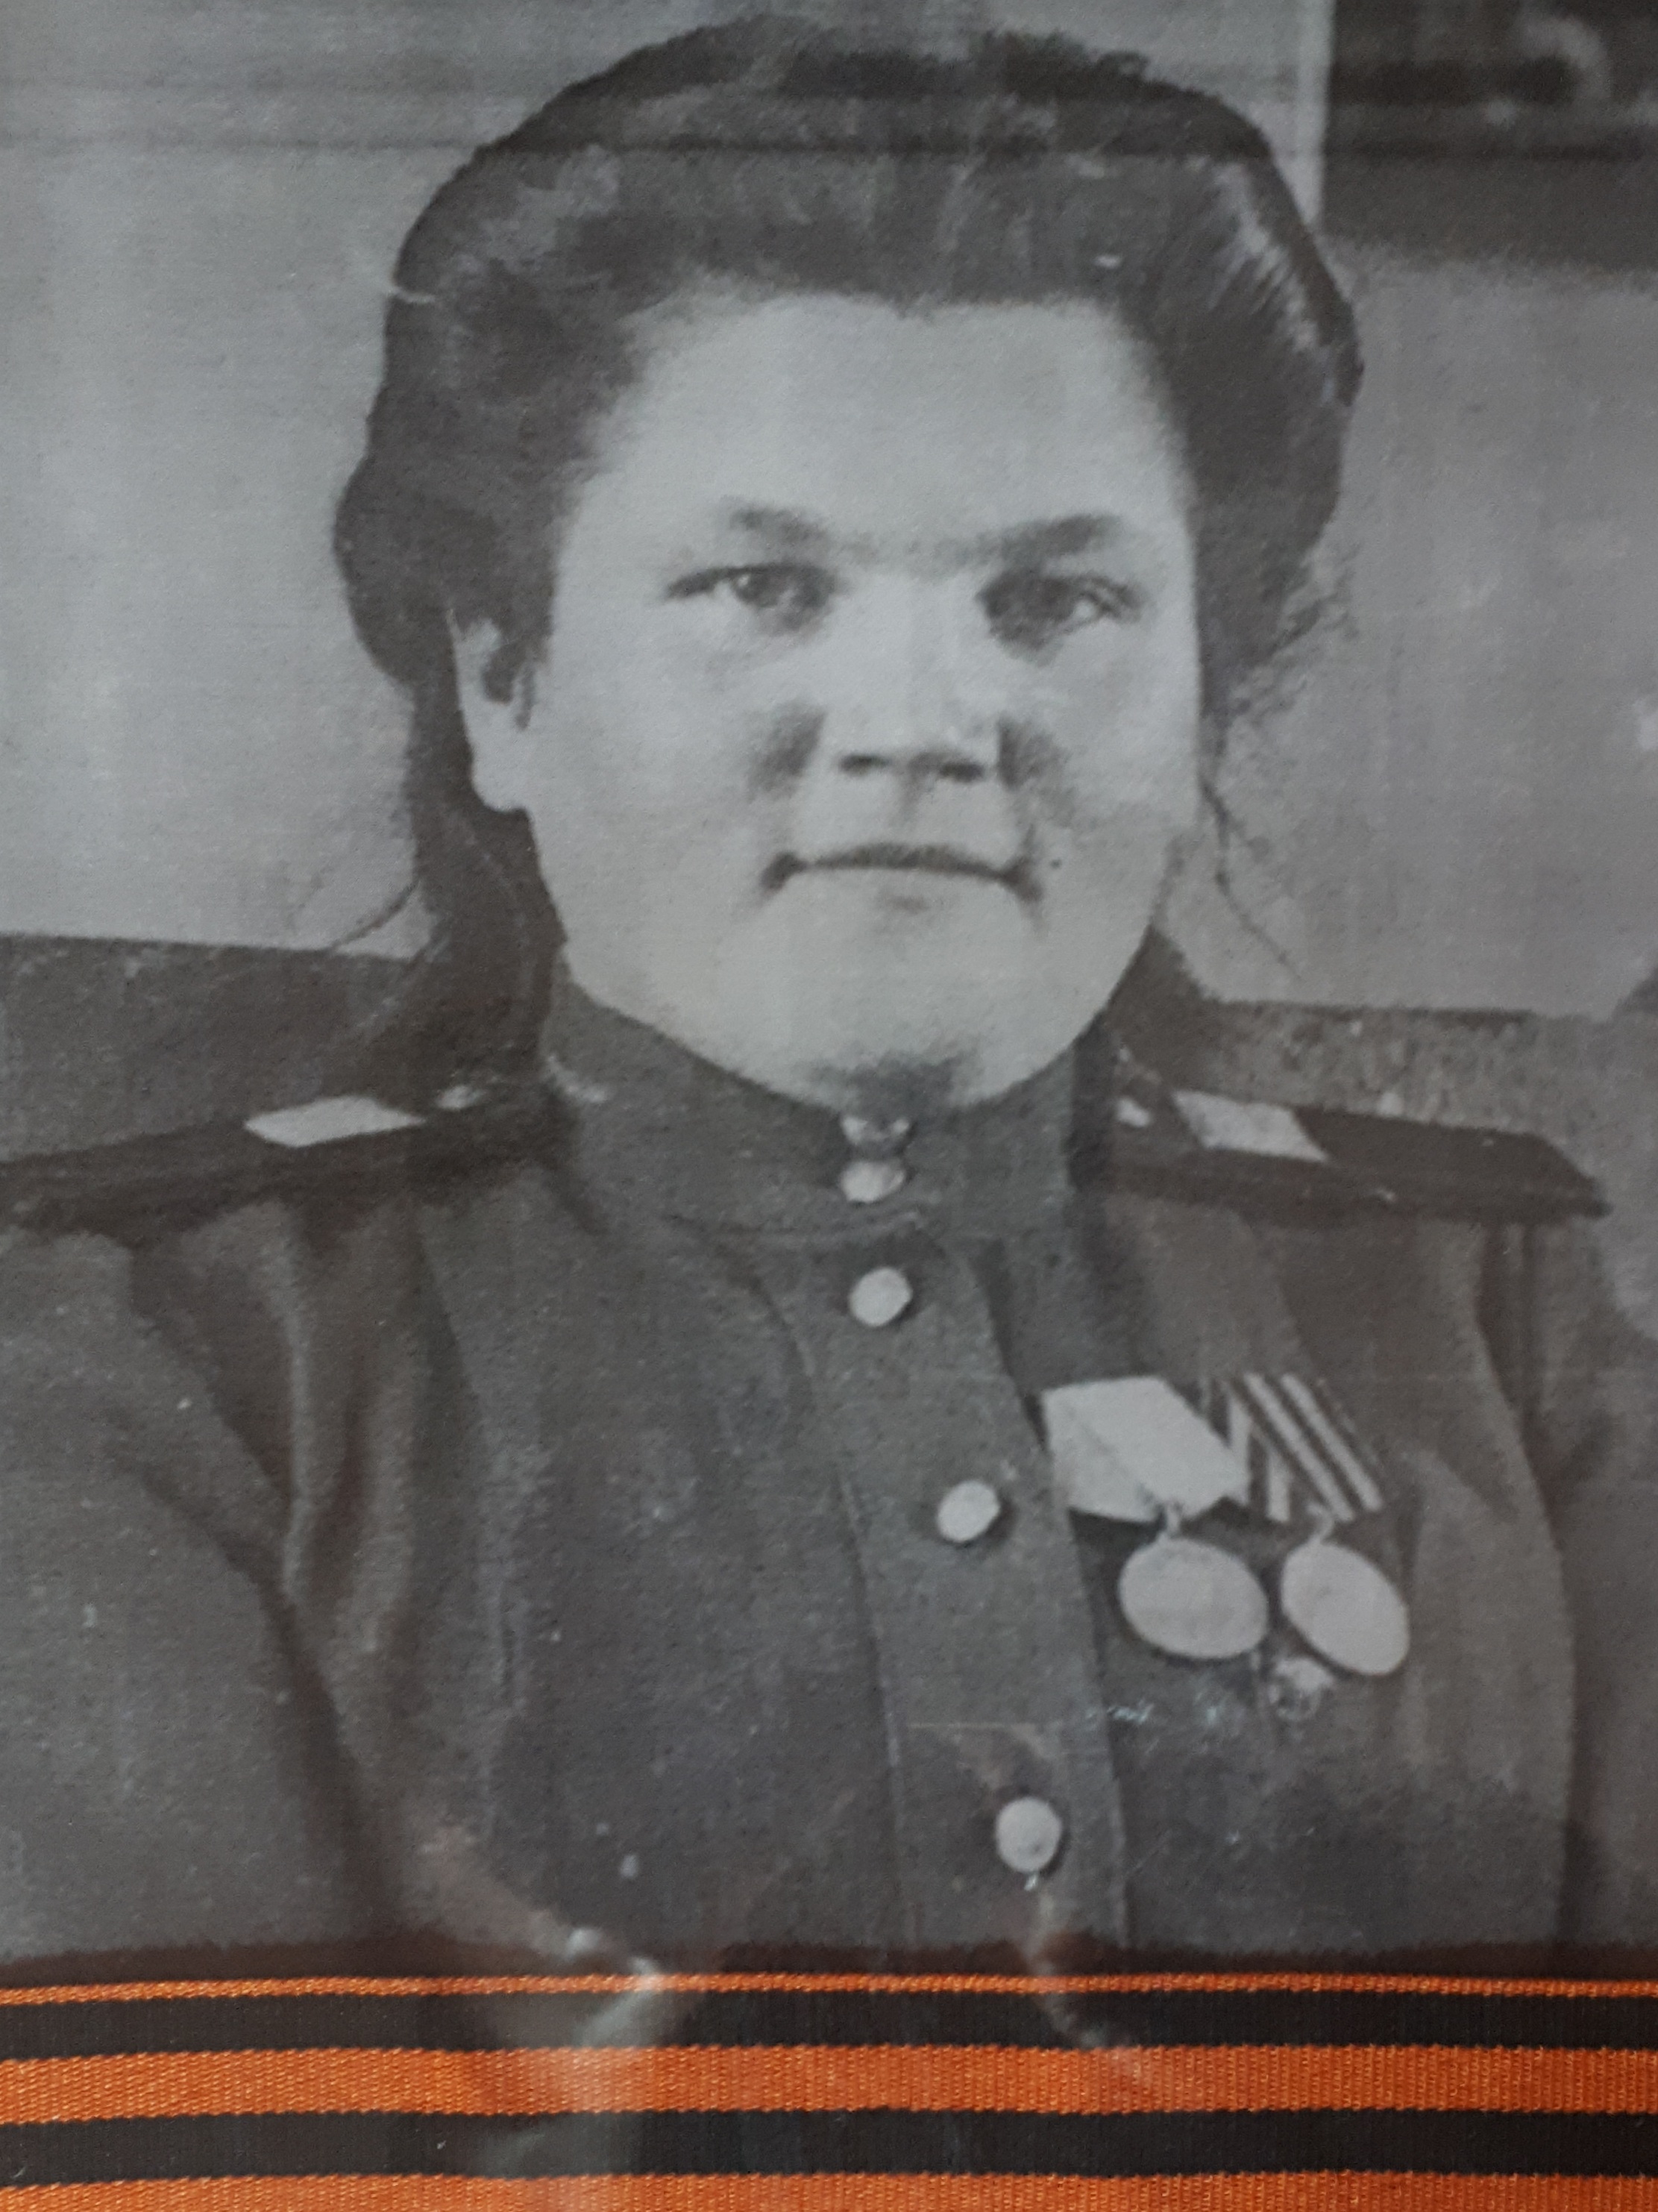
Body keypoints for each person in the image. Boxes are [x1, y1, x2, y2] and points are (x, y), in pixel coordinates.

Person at [2, 16, 1657, 1970]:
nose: (924, 723)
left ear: (1206, 694)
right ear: (503, 684)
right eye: (766, 588)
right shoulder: (184, 1353)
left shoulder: (1487, 1319)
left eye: (1059, 601)